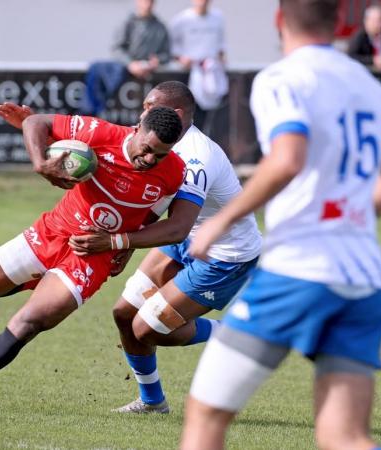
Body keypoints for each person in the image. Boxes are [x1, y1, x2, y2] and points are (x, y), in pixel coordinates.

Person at [180, 0, 381, 449]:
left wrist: (221, 221)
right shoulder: (369, 86)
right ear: (337, 23)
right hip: (364, 278)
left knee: (206, 413)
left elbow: (287, 159)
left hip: (299, 270)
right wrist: (344, 208)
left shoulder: (282, 78)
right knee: (344, 437)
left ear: (279, 21)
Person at [0, 106, 185, 407]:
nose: (149, 160)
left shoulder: (174, 172)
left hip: (91, 256)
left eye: (159, 155)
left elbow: (154, 215)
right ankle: (44, 281)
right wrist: (40, 163)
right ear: (137, 128)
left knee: (29, 322)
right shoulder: (98, 133)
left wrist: (123, 244)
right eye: (147, 149)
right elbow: (35, 121)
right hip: (52, 231)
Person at [68, 80, 262, 414]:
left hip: (225, 255)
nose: (142, 113)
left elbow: (176, 226)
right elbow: (156, 202)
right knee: (124, 315)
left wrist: (118, 242)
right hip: (188, 239)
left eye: (149, 107)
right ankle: (152, 402)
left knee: (147, 328)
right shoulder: (159, 141)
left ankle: (238, 334)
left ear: (175, 113)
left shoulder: (197, 157)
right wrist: (127, 245)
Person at [82, 0, 171, 115]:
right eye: (145, 1)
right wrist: (130, 64)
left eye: (150, 2)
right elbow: (117, 49)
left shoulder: (160, 27)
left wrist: (157, 61)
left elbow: (166, 54)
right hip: (125, 71)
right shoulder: (127, 23)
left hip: (149, 76)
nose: (147, 4)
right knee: (97, 69)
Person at [170, 0, 228, 134]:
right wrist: (181, 59)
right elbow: (172, 48)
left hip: (212, 74)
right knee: (191, 116)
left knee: (213, 117)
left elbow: (221, 45)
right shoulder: (181, 20)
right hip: (189, 75)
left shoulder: (218, 17)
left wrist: (220, 59)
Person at [347, 3, 381, 71]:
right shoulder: (360, 37)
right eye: (377, 21)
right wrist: (373, 60)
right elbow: (351, 57)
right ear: (367, 21)